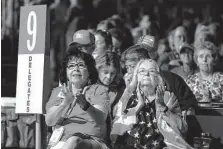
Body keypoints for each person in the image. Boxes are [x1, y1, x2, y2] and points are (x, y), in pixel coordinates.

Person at [111, 59, 193, 149]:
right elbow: (116, 131)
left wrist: (163, 108)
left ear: (158, 77)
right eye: (142, 71)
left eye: (151, 71)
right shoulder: (127, 97)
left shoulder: (168, 97)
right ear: (136, 76)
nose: (146, 74)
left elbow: (183, 129)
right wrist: (138, 106)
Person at [45, 45, 109, 149]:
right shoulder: (58, 92)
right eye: (71, 66)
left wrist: (85, 105)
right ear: (66, 72)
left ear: (89, 72)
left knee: (73, 141)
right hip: (60, 142)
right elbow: (49, 121)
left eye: (81, 65)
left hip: (92, 142)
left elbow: (101, 119)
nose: (76, 69)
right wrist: (64, 103)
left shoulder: (98, 90)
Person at [121, 43, 197, 113]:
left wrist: (187, 110)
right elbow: (119, 114)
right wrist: (128, 91)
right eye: (127, 68)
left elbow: (189, 104)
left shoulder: (172, 79)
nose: (130, 72)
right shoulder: (127, 83)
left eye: (132, 67)